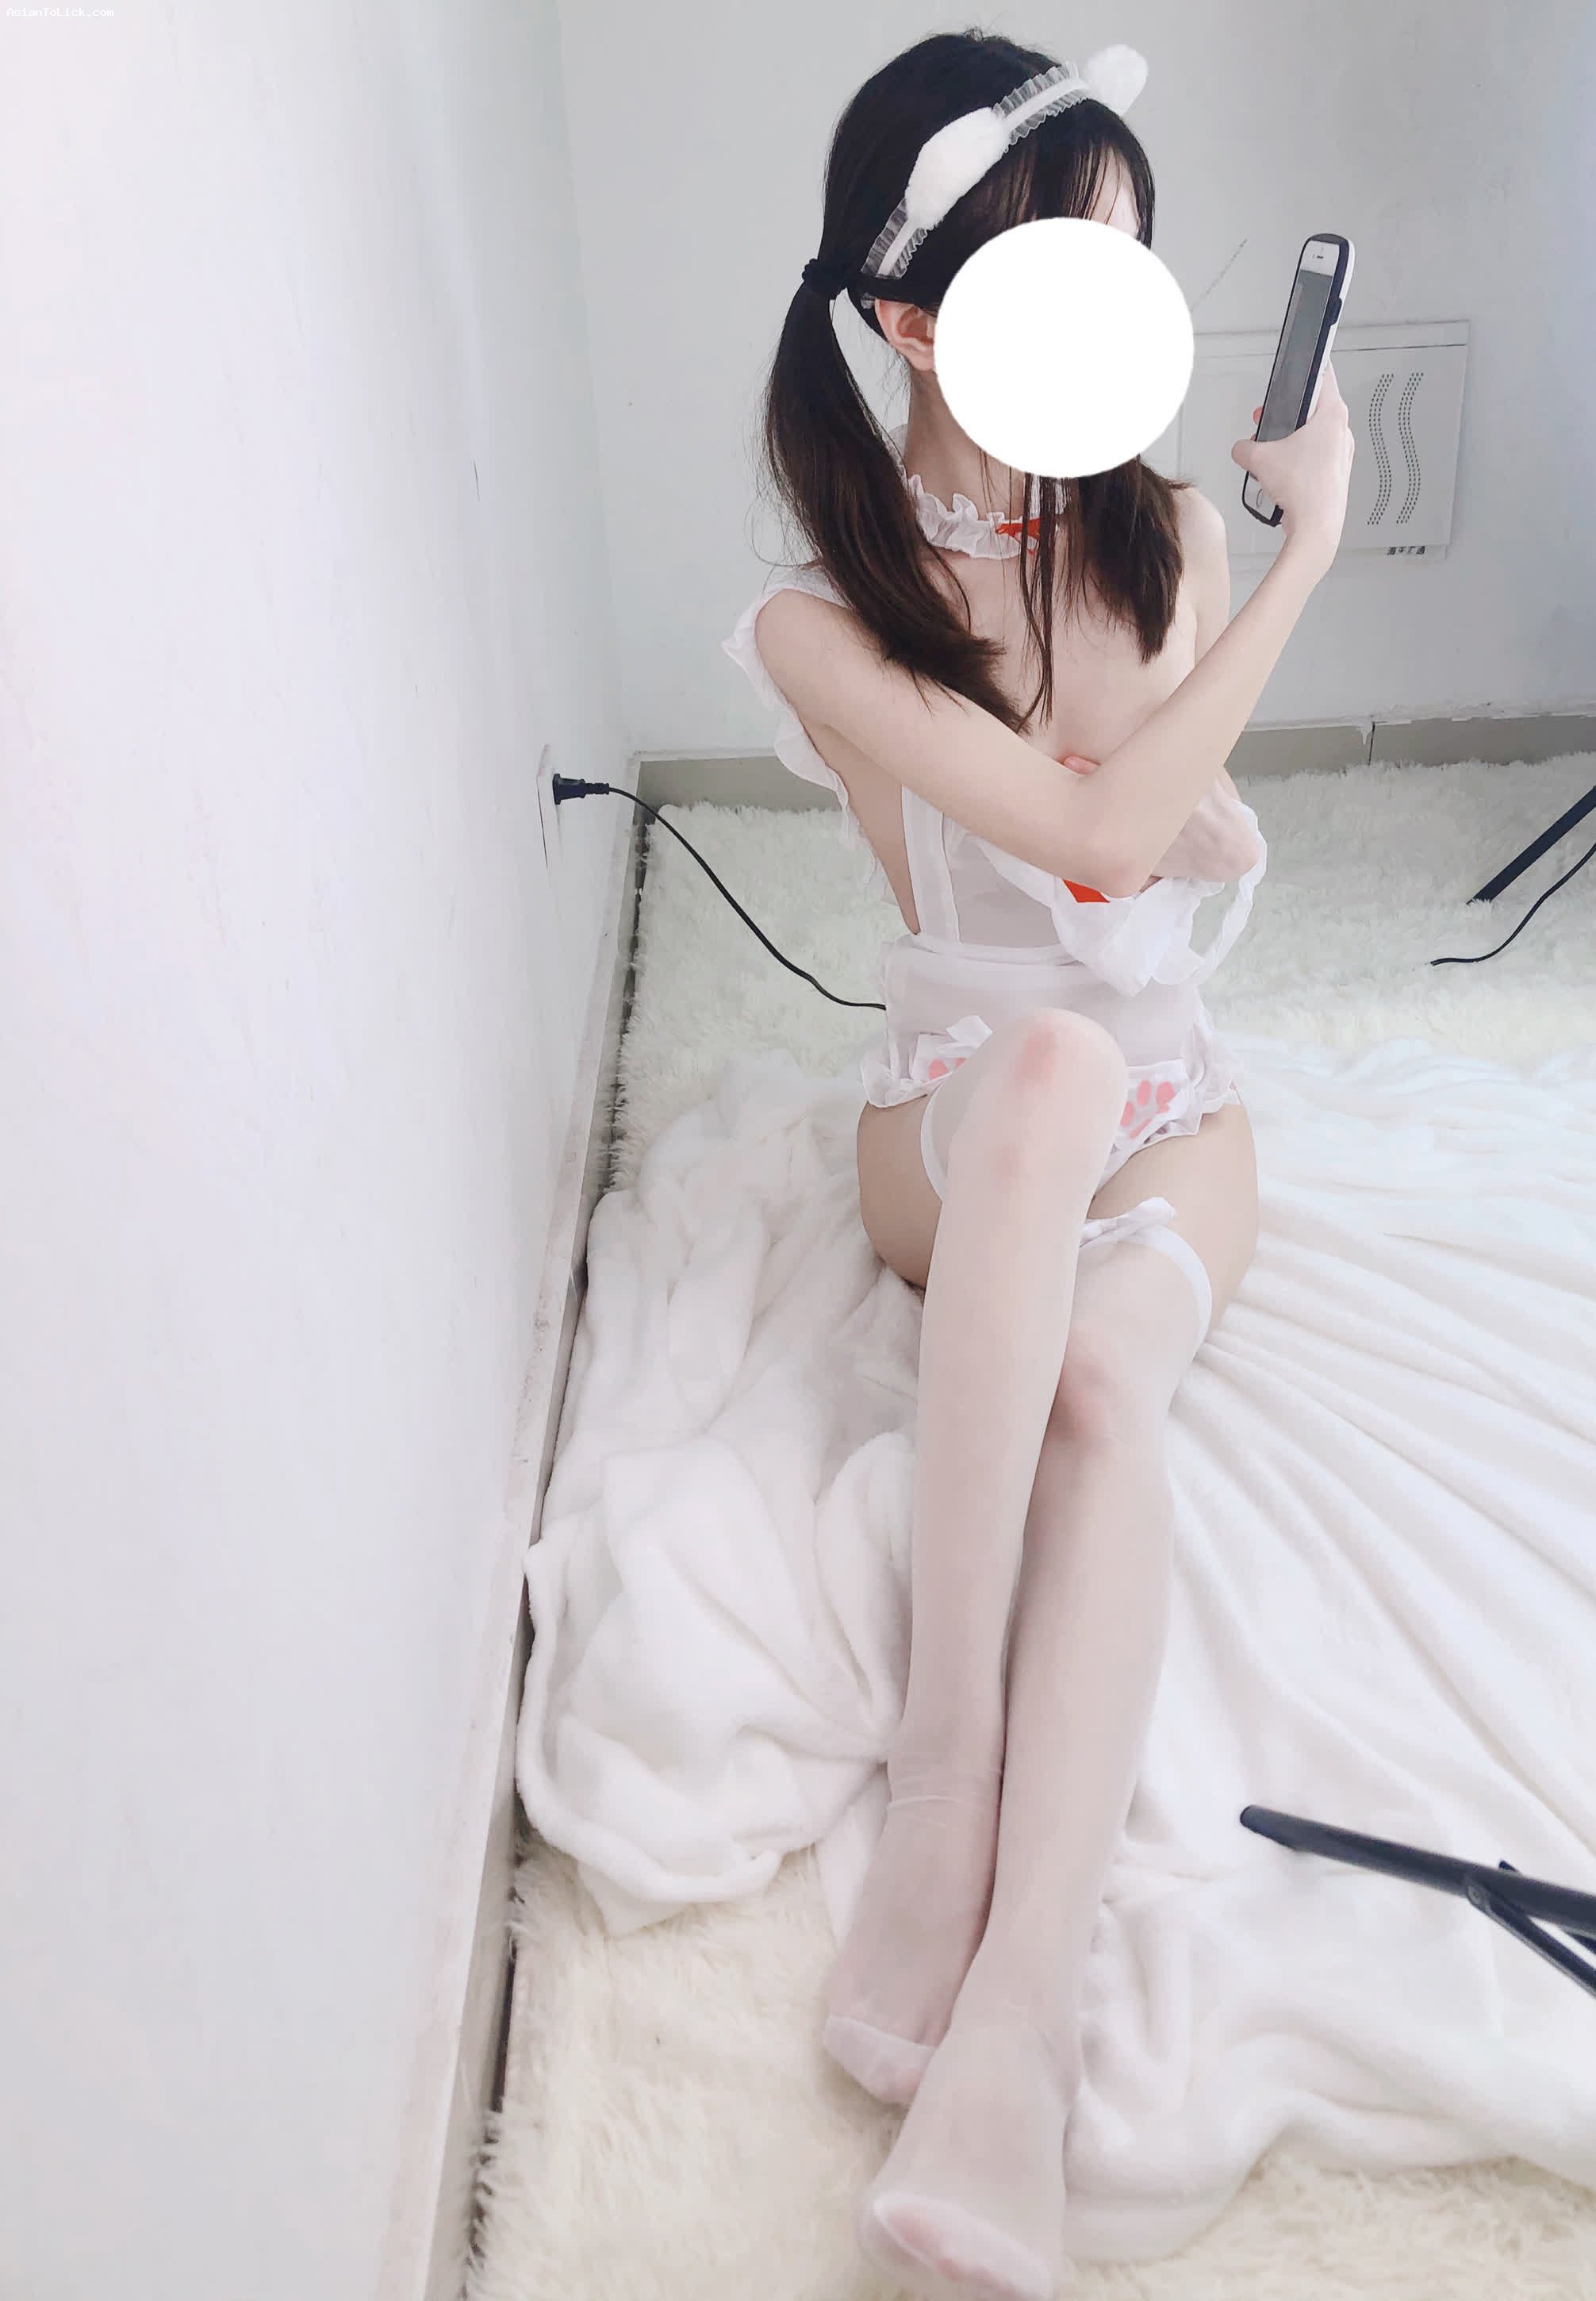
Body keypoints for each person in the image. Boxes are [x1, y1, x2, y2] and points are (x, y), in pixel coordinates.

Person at [719, 30, 1354, 2299]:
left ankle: (1016, 2016)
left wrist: (1249, 563)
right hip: (956, 1125)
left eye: (1126, 265)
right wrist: (1309, 568)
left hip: (1172, 1126)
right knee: (1047, 1067)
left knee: (1104, 1374)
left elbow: (1145, 834)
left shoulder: (1156, 532)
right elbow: (1093, 834)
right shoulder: (813, 619)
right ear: (914, 319)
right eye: (1053, 274)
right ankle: (945, 1770)